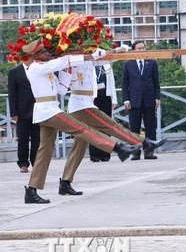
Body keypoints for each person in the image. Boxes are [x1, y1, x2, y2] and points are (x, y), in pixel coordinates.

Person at [22, 40, 139, 204]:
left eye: (47, 51)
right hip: (47, 111)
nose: (47, 54)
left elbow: (61, 90)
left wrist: (68, 70)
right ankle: (117, 148)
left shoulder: (46, 68)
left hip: (50, 109)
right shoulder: (36, 68)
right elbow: (61, 61)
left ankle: (31, 190)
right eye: (44, 52)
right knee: (81, 129)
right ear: (35, 54)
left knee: (45, 151)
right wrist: (86, 56)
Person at [61, 59, 165, 195]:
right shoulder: (74, 60)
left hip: (87, 103)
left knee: (79, 148)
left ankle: (65, 182)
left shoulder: (88, 60)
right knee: (111, 126)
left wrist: (118, 51)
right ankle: (143, 143)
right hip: (81, 106)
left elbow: (105, 59)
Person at [122, 40, 161, 160]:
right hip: (134, 100)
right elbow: (124, 84)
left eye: (143, 48)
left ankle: (149, 152)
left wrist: (157, 97)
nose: (141, 50)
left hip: (149, 99)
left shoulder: (152, 62)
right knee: (134, 128)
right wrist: (126, 100)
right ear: (134, 50)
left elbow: (156, 82)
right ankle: (135, 152)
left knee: (150, 127)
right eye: (139, 48)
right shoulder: (128, 64)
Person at [8, 58, 39, 173]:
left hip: (37, 109)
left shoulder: (38, 69)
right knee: (23, 138)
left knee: (37, 138)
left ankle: (36, 162)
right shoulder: (15, 72)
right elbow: (12, 93)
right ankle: (23, 163)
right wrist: (14, 113)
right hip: (22, 110)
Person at [89, 64, 118, 162]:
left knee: (106, 126)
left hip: (106, 96)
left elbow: (112, 82)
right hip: (93, 98)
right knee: (94, 126)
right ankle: (94, 154)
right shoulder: (89, 65)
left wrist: (114, 99)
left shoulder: (107, 66)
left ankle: (105, 153)